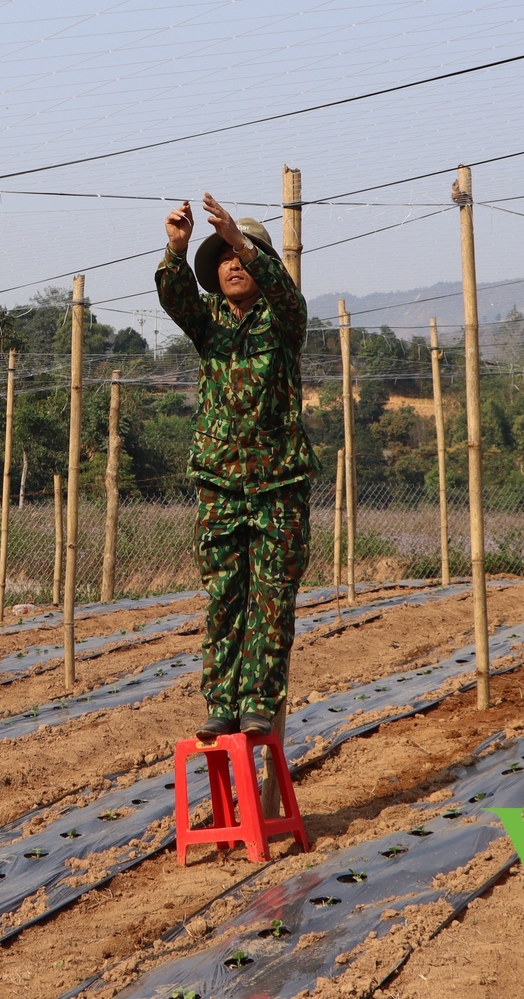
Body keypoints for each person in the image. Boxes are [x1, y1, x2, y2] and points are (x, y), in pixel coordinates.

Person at [156, 194, 318, 740]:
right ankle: (221, 701)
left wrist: (243, 242)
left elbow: (287, 295)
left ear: (256, 261)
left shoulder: (285, 322)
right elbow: (176, 298)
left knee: (272, 599)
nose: (229, 264)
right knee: (225, 597)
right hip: (221, 485)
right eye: (220, 256)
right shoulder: (209, 324)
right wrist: (176, 251)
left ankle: (257, 701)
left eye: (237, 255)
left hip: (279, 485)